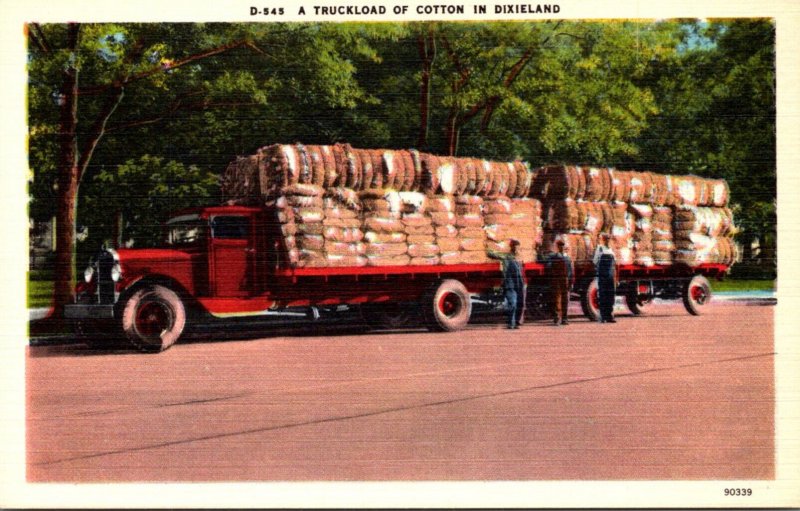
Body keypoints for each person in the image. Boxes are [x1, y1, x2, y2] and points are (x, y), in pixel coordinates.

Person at [488, 239, 526, 329]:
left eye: (517, 248)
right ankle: (511, 323)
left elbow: (522, 272)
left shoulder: (520, 258)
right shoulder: (507, 257)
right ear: (511, 248)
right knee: (512, 303)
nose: (516, 249)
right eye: (514, 247)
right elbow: (494, 255)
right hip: (510, 284)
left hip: (519, 284)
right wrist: (487, 250)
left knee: (520, 304)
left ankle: (516, 322)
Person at [546, 238, 574, 326]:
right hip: (556, 279)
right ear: (557, 247)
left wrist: (570, 281)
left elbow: (570, 271)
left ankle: (564, 318)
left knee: (565, 299)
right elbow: (549, 266)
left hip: (565, 279)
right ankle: (556, 317)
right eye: (560, 246)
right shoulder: (553, 256)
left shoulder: (567, 258)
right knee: (556, 298)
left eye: (562, 246)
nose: (561, 247)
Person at [593, 233, 617, 323]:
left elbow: (614, 265)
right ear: (603, 240)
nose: (608, 241)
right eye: (606, 239)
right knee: (603, 296)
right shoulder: (600, 249)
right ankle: (603, 317)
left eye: (609, 239)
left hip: (610, 277)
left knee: (610, 297)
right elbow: (595, 261)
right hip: (603, 276)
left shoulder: (611, 250)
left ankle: (610, 316)